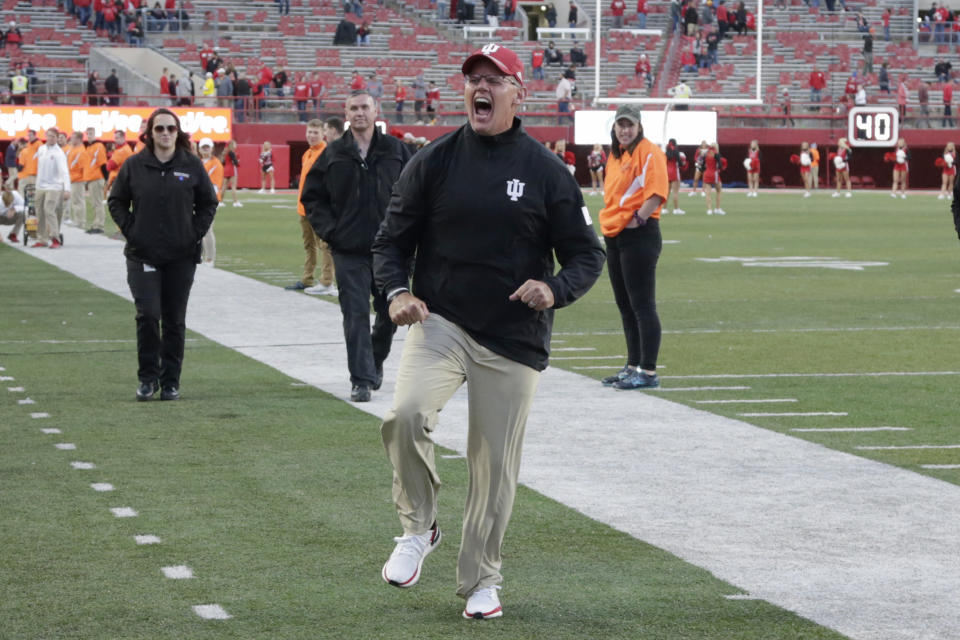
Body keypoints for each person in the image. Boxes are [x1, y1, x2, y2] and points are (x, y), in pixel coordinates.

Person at [371, 43, 604, 620]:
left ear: (518, 93)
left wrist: (554, 288)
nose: (481, 86)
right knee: (404, 416)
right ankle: (418, 527)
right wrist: (398, 292)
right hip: (441, 320)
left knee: (493, 465)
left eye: (494, 80)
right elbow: (390, 241)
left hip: (514, 336)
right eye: (474, 78)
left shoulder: (547, 171)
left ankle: (482, 580)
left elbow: (585, 254)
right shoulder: (433, 160)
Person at [301, 89, 412, 403]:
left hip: (391, 250)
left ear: (376, 111)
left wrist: (409, 236)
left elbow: (418, 195)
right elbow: (312, 198)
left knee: (391, 313)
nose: (359, 112)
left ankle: (374, 359)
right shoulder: (334, 153)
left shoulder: (397, 150)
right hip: (348, 249)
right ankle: (361, 379)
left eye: (365, 107)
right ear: (346, 114)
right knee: (355, 313)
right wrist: (332, 232)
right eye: (353, 108)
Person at [108, 108, 218, 402]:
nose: (166, 133)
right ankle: (148, 378)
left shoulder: (191, 165)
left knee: (173, 320)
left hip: (181, 256)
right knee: (147, 315)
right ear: (150, 133)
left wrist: (193, 233)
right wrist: (133, 230)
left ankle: (171, 381)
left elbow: (209, 203)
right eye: (160, 129)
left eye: (171, 128)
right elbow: (116, 201)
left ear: (178, 132)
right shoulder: (134, 165)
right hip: (142, 253)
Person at [597, 103, 665, 395]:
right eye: (621, 125)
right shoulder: (616, 155)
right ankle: (633, 364)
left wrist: (638, 219)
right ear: (614, 127)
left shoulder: (649, 151)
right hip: (615, 233)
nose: (625, 130)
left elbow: (658, 191)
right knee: (625, 305)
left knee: (642, 305)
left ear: (639, 127)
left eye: (630, 125)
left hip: (638, 235)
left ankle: (647, 370)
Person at [286, 119, 335, 295]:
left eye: (315, 132)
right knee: (309, 245)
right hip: (303, 208)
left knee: (324, 245)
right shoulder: (307, 153)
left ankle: (327, 281)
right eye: (309, 132)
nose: (312, 135)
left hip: (318, 209)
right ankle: (307, 278)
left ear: (323, 134)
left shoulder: (327, 153)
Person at [32, 127, 71, 249]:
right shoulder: (41, 149)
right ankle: (42, 239)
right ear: (45, 136)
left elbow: (64, 172)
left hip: (54, 186)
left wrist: (67, 189)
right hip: (40, 185)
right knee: (39, 212)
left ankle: (55, 238)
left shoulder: (59, 153)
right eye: (48, 136)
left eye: (53, 136)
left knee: (49, 210)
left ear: (56, 138)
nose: (50, 138)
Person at [198, 138, 222, 266]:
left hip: (209, 201)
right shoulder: (199, 162)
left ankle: (210, 258)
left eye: (207, 147)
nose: (205, 149)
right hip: (198, 201)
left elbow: (214, 186)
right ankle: (200, 255)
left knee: (207, 229)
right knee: (198, 229)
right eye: (203, 147)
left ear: (212, 148)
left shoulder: (216, 164)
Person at [81, 127, 107, 233]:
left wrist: (106, 178)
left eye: (91, 133)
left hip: (96, 177)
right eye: (88, 133)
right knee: (94, 203)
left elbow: (102, 163)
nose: (89, 135)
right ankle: (96, 224)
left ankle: (99, 225)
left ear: (95, 134)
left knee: (97, 203)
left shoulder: (98, 146)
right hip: (91, 178)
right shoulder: (89, 147)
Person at [65, 132, 86, 227]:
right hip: (72, 178)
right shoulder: (73, 149)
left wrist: (80, 178)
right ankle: (77, 220)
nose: (71, 140)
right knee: (75, 201)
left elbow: (83, 167)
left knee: (78, 201)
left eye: (73, 138)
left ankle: (80, 221)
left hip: (78, 179)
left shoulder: (81, 151)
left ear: (79, 139)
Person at [16, 129, 41, 200]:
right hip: (30, 173)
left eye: (30, 135)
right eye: (28, 135)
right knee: (31, 193)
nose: (29, 137)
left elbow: (21, 165)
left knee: (23, 192)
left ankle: (23, 207)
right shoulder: (29, 146)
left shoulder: (38, 144)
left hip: (29, 174)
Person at [701, 142, 725, 215]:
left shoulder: (706, 154)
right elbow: (720, 166)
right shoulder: (717, 154)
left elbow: (702, 166)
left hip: (707, 173)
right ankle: (717, 209)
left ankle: (709, 210)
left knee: (708, 193)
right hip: (714, 174)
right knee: (719, 191)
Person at [663, 138, 685, 213]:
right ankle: (676, 209)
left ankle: (664, 209)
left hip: (666, 172)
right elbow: (680, 163)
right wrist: (684, 163)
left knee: (666, 192)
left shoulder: (666, 152)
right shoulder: (676, 151)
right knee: (675, 192)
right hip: (674, 172)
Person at [222, 140, 241, 207]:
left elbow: (223, 163)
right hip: (232, 170)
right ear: (232, 145)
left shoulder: (225, 152)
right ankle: (236, 202)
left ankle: (220, 202)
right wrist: (238, 163)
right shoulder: (231, 152)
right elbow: (235, 162)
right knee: (233, 186)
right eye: (235, 144)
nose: (236, 145)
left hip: (226, 170)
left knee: (224, 187)